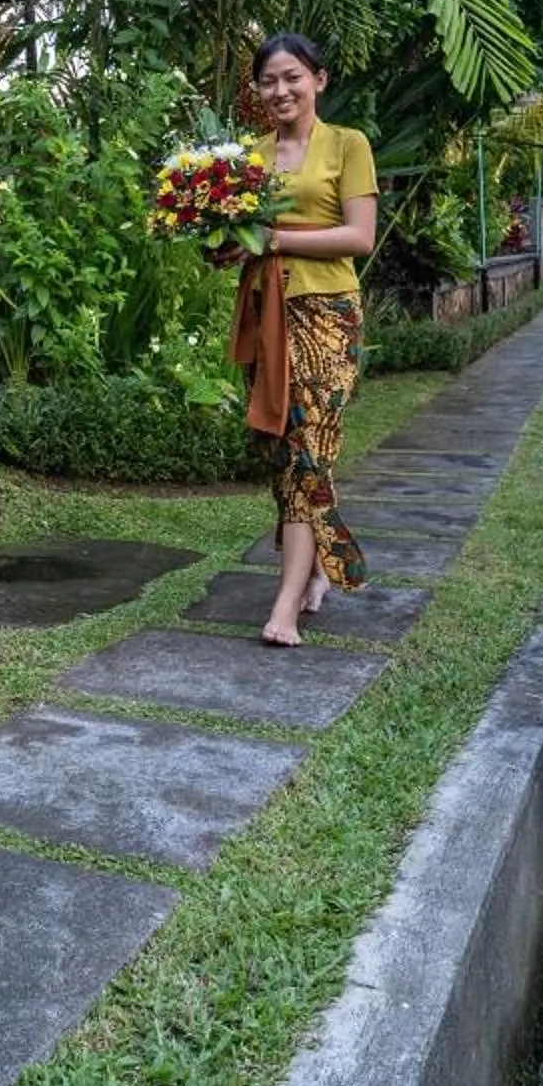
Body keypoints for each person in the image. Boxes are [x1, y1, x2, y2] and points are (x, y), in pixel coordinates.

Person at [231, 32, 377, 647]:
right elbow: (237, 233)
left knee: (306, 453)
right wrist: (223, 242)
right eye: (269, 80)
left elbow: (359, 236)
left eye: (293, 77)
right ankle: (317, 569)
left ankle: (285, 604)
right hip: (267, 313)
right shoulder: (248, 155)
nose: (281, 90)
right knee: (286, 452)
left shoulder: (348, 144)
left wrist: (280, 240)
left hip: (328, 315)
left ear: (319, 79)